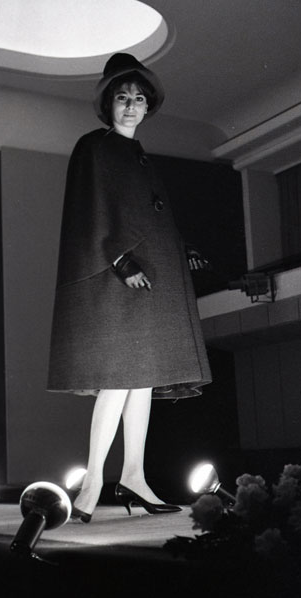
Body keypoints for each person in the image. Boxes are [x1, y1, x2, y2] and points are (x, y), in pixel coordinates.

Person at [47, 53, 212, 522]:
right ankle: (93, 481)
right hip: (119, 277)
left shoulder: (140, 157)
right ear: (109, 103)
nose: (131, 105)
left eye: (139, 98)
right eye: (123, 97)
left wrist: (181, 248)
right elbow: (90, 209)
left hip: (152, 278)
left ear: (147, 106)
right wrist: (120, 259)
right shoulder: (94, 147)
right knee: (118, 380)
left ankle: (135, 476)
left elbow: (150, 214)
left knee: (142, 379)